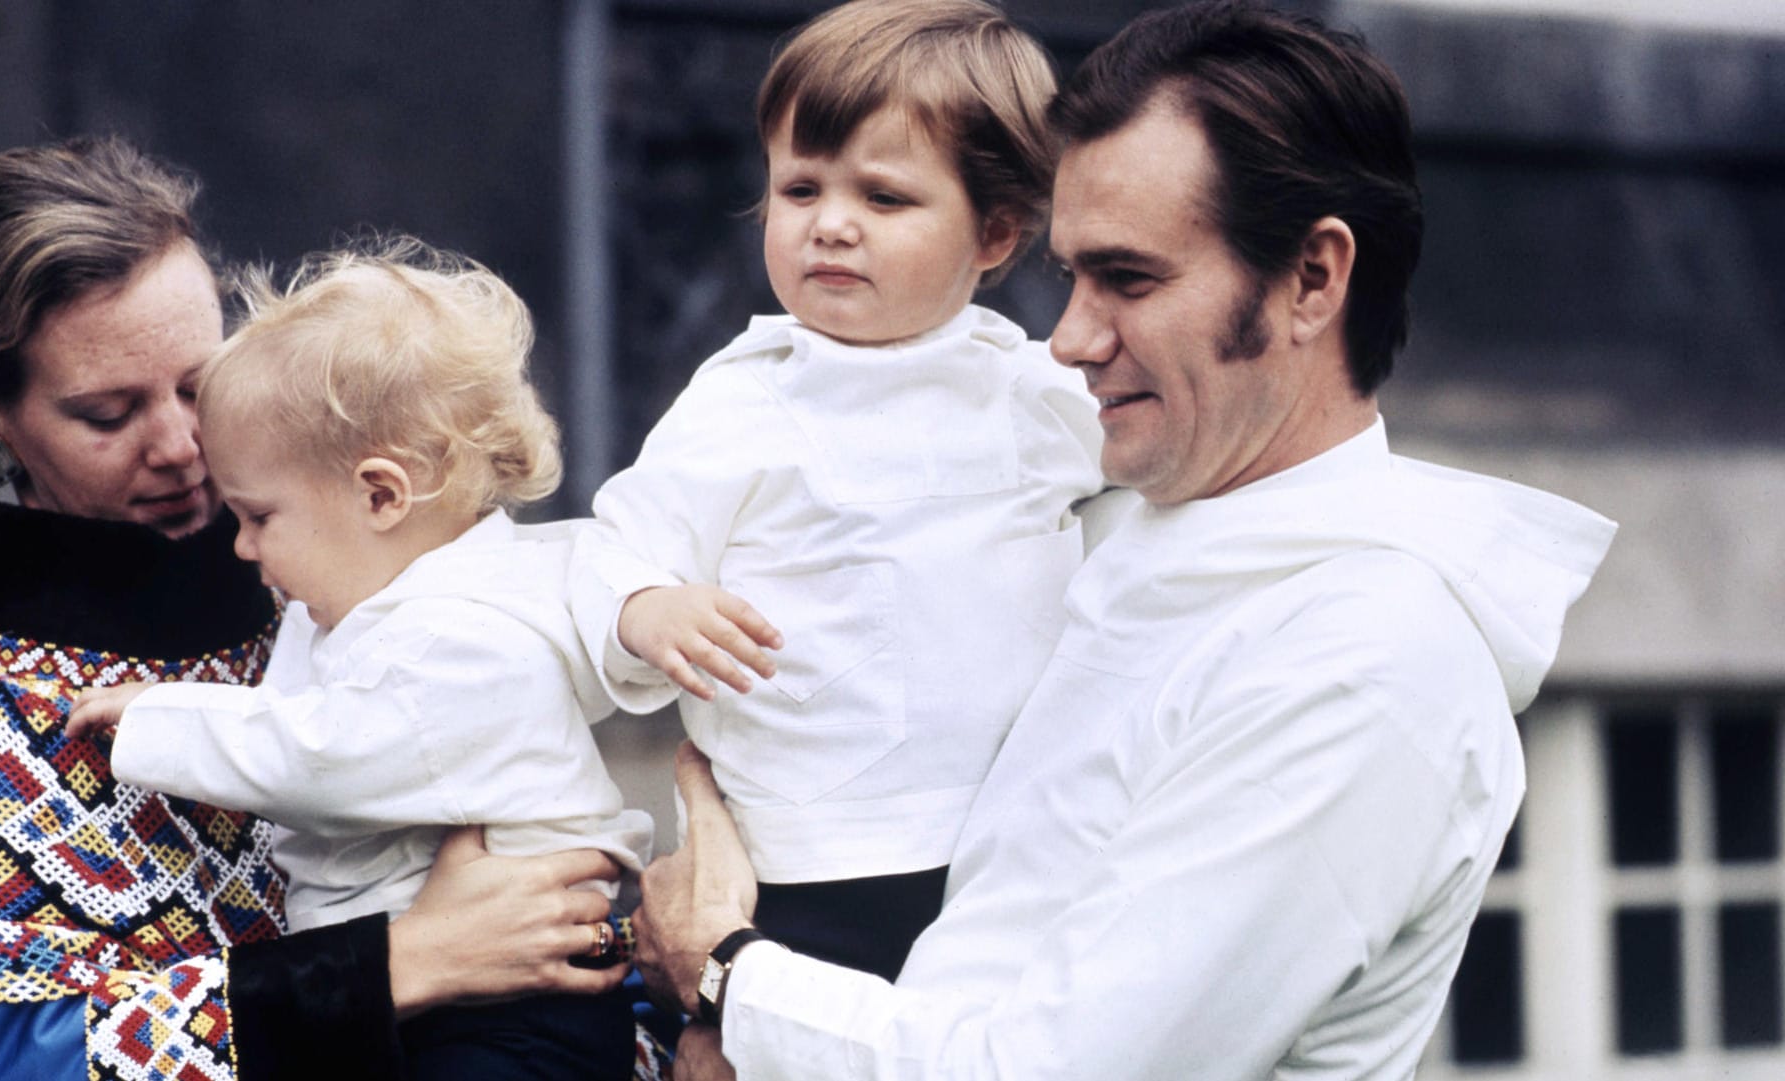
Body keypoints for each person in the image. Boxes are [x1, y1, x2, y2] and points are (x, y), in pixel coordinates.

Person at [632, 4, 1618, 1079]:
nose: (1070, 338)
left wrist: (727, 970)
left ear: (1313, 279)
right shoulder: (1101, 519)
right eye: (1071, 278)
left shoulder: (1362, 664)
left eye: (1131, 279)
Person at [0, 136, 629, 1081]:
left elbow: (552, 898)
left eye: (200, 384)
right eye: (110, 413)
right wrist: (400, 964)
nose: (183, 445)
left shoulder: (352, 581)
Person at [571, 0, 1103, 982]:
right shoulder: (743, 398)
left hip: (1013, 839)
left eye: (885, 198)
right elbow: (613, 546)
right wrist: (649, 606)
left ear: (994, 233)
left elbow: (1177, 472)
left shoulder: (1034, 390)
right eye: (801, 188)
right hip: (802, 862)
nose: (831, 226)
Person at [66, 237, 653, 1081]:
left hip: (515, 1024)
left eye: (259, 516)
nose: (239, 546)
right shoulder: (361, 595)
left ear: (380, 494)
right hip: (447, 1003)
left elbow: (319, 757)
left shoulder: (461, 635)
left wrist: (160, 718)